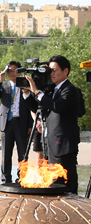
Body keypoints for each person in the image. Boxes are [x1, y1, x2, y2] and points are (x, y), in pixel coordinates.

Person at [27, 55, 86, 193]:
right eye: (49, 70)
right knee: (53, 182)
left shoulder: (70, 89)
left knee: (65, 183)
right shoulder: (53, 90)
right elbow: (38, 107)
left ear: (65, 71)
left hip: (63, 145)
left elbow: (58, 107)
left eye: (54, 70)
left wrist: (37, 92)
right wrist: (27, 93)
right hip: (51, 144)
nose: (51, 74)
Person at [0, 61, 35, 184]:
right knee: (6, 153)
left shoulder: (26, 85)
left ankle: (22, 178)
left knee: (23, 153)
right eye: (9, 71)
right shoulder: (4, 85)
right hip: (7, 123)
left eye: (15, 71)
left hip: (21, 122)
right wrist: (0, 80)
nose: (12, 73)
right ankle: (6, 179)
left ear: (19, 72)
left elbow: (32, 106)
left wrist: (30, 125)